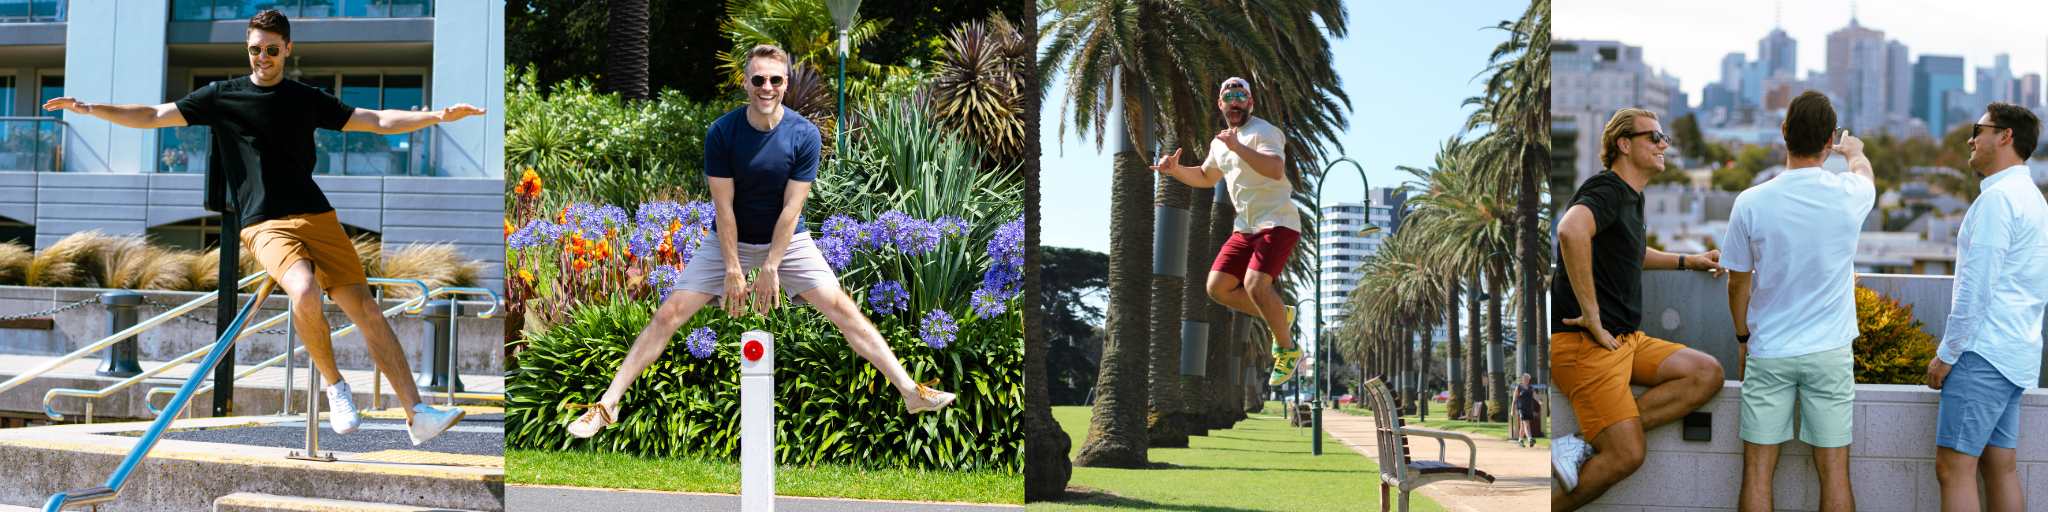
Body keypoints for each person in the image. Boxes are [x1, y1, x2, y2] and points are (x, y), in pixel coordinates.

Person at [42, 9, 477, 445]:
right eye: (254, 50)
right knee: (304, 290)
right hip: (264, 221)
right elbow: (154, 115)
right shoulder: (222, 96)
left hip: (317, 215)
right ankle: (335, 386)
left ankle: (417, 413)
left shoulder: (306, 98)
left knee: (365, 310)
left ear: (287, 49)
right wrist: (90, 108)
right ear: (247, 50)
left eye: (271, 50)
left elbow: (377, 121)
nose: (262, 58)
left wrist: (437, 116)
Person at [565, 44, 956, 438]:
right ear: (746, 83)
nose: (766, 87)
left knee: (841, 307)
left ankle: (910, 391)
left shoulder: (803, 135)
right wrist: (733, 269)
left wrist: (771, 266)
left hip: (788, 241)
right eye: (758, 79)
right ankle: (606, 405)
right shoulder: (723, 132)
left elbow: (792, 209)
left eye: (774, 79)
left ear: (785, 82)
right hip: (728, 240)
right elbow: (724, 209)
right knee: (669, 314)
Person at [1549, 108, 1727, 511]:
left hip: (1626, 340)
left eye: (1664, 136)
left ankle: (1580, 442)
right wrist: (1590, 313)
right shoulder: (1607, 189)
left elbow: (1630, 253)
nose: (1665, 144)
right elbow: (1570, 230)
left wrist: (1688, 261)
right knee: (1627, 453)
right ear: (1624, 145)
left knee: (1705, 373)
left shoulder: (1631, 197)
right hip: (1587, 346)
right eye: (1655, 137)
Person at [1721, 91, 1870, 512]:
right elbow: (1865, 173)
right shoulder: (1850, 193)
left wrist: (1742, 337)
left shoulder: (1750, 202)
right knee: (1835, 470)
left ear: (1783, 132)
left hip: (1770, 350)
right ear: (1829, 141)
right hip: (1830, 352)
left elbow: (1737, 283)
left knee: (1757, 472)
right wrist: (1853, 152)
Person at [1926, 102, 2047, 512]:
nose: (1971, 139)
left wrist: (1947, 354)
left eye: (1980, 129)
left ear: (2005, 136)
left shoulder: (1998, 201)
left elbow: (1976, 289)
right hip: (2015, 352)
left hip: (1983, 353)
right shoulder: (2031, 197)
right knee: (2000, 467)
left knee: (1953, 468)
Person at [1150, 77, 1304, 386]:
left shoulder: (1264, 132)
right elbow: (1207, 176)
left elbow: (1275, 169)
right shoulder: (1219, 144)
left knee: (1255, 284)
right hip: (1246, 228)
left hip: (1277, 221)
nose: (1234, 101)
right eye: (1228, 96)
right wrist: (1175, 170)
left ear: (1250, 103)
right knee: (1217, 287)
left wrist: (1239, 147)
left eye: (1240, 96)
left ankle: (1288, 349)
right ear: (1221, 105)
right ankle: (1280, 314)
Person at [1513, 373, 1540, 448]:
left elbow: (1535, 396)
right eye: (1525, 379)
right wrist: (1512, 410)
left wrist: (1539, 401)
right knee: (1526, 423)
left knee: (1523, 425)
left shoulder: (1531, 388)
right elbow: (1514, 399)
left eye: (1528, 379)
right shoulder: (1519, 387)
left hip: (1529, 408)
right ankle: (1530, 438)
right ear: (1522, 379)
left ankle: (1520, 440)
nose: (1526, 380)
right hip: (1521, 408)